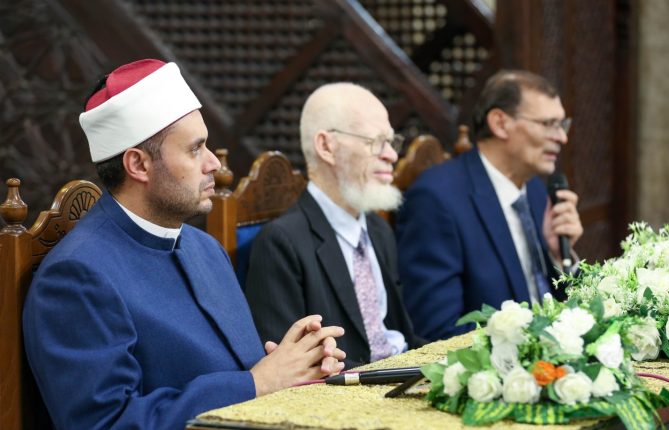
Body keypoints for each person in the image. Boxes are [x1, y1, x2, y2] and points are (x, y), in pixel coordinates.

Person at [23, 59, 346, 430]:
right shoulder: (76, 276)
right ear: (138, 165)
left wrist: (296, 365)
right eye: (195, 149)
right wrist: (259, 382)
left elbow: (240, 374)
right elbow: (106, 422)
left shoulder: (204, 247)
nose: (213, 164)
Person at [245, 83, 424, 368]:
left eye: (392, 142)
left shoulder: (378, 230)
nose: (391, 155)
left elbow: (400, 335)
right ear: (327, 147)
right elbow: (290, 370)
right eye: (376, 141)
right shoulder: (281, 242)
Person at [396, 70, 584, 341]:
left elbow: (556, 303)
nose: (562, 138)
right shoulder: (436, 199)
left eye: (562, 125)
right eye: (548, 124)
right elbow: (438, 331)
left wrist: (559, 256)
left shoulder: (533, 189)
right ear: (500, 123)